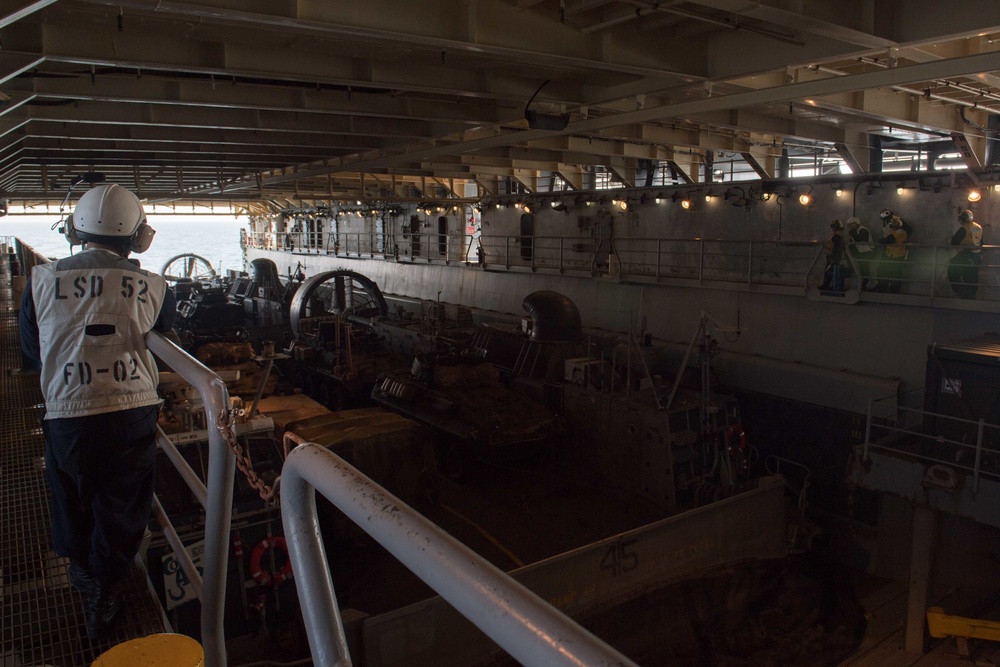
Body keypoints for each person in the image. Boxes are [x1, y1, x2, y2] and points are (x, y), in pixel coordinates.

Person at [18, 183, 176, 641]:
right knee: (123, 503)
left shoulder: (41, 281)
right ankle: (104, 587)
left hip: (65, 409)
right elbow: (164, 329)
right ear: (139, 238)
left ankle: (84, 569)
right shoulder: (152, 284)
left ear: (73, 231)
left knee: (68, 489)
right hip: (130, 410)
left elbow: (32, 351)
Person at [948, 209, 983, 299]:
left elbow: (954, 241)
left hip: (966, 254)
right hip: (977, 255)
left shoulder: (965, 228)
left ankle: (960, 292)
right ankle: (971, 295)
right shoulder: (978, 227)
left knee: (952, 268)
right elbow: (981, 242)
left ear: (963, 219)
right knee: (972, 275)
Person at [877, 215, 908, 293]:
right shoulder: (903, 232)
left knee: (888, 273)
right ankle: (893, 289)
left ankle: (887, 290)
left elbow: (886, 240)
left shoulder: (897, 233)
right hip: (898, 256)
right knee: (896, 274)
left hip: (893, 257)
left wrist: (884, 237)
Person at [846, 216, 876, 290]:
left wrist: (852, 233)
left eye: (851, 224)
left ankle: (864, 285)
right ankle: (863, 285)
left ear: (855, 224)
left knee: (865, 270)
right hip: (862, 252)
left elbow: (860, 239)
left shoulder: (862, 230)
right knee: (862, 270)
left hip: (867, 252)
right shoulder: (857, 230)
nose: (849, 227)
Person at [820, 219, 846, 291]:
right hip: (832, 255)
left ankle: (826, 285)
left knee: (828, 271)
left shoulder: (837, 236)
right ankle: (828, 285)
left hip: (832, 255)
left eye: (833, 226)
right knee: (830, 271)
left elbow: (836, 248)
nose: (832, 228)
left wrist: (833, 258)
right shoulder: (837, 234)